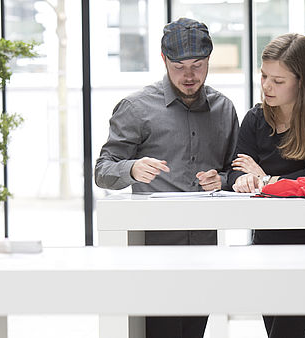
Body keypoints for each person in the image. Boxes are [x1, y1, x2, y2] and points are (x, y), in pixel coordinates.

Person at [95, 17, 240, 338]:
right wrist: (131, 169)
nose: (189, 76)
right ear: (163, 61)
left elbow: (237, 173)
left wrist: (224, 180)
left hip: (205, 248)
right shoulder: (136, 108)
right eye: (178, 66)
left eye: (198, 65)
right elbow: (102, 171)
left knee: (193, 332)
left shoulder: (224, 109)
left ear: (208, 61)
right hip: (152, 251)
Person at [228, 33, 305, 338]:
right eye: (264, 76)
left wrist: (265, 180)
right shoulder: (255, 119)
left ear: (302, 80)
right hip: (267, 244)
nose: (267, 86)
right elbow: (236, 173)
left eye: (278, 80)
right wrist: (243, 179)